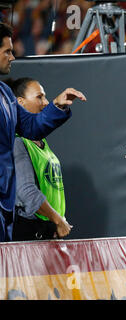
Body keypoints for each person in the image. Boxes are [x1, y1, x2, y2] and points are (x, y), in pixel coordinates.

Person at [0, 22, 86, 242]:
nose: (12, 57)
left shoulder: (6, 96)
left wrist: (57, 105)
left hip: (5, 209)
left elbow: (31, 126)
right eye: (7, 51)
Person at [6, 78, 72, 240]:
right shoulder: (17, 142)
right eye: (39, 97)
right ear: (20, 102)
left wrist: (56, 222)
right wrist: (57, 220)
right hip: (29, 231)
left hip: (48, 228)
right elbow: (26, 192)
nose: (45, 102)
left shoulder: (40, 141)